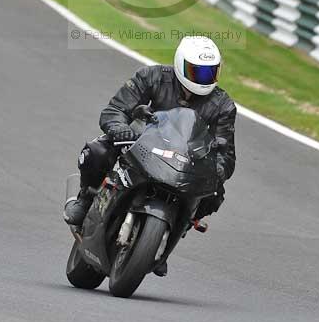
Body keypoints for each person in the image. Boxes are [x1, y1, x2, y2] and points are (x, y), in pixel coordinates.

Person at [64, 35, 236, 271]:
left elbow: (226, 152)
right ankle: (85, 199)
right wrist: (121, 129)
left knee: (215, 192)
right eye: (197, 72)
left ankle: (170, 234)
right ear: (180, 64)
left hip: (184, 164)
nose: (204, 79)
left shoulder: (223, 105)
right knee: (98, 150)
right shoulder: (152, 77)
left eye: (210, 73)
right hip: (142, 147)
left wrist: (215, 170)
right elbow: (115, 109)